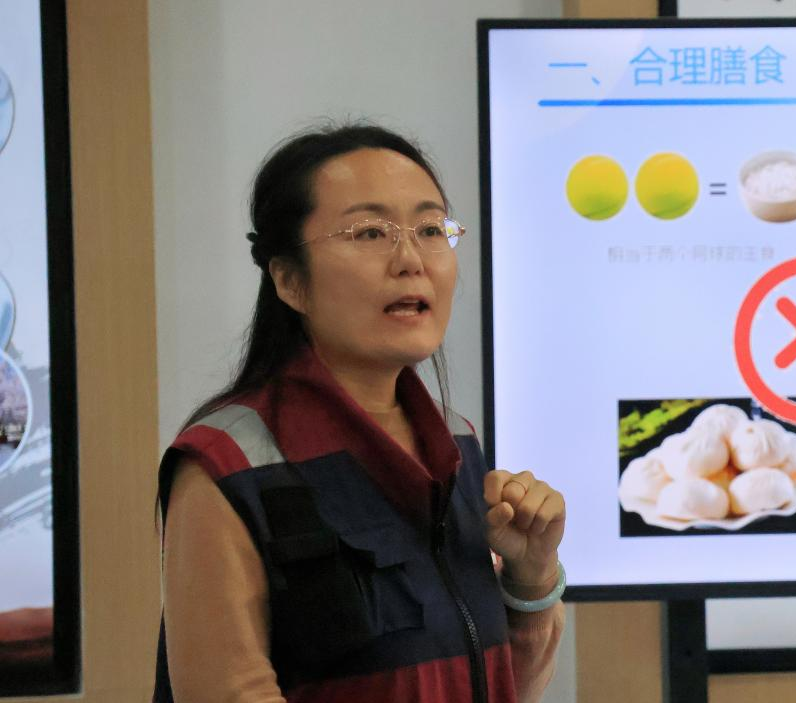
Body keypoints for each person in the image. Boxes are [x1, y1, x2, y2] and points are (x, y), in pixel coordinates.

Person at [152, 124, 565, 703]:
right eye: (370, 232)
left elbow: (501, 685)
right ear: (289, 280)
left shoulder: (456, 441)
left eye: (430, 229)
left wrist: (533, 572)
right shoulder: (228, 463)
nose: (411, 260)